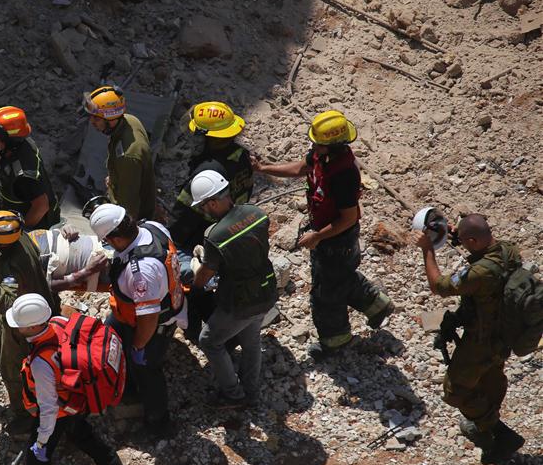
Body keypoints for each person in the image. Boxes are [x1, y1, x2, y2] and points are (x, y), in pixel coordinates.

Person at [254, 110, 394, 358]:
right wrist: (264, 168)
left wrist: (317, 237)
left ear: (333, 145)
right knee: (340, 277)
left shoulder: (344, 174)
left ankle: (335, 341)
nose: (313, 146)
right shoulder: (322, 157)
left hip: (337, 239)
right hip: (331, 236)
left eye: (317, 143)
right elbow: (301, 168)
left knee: (326, 294)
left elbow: (348, 217)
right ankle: (377, 304)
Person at [8, 294, 129, 465]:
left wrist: (42, 440)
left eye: (21, 326)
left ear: (33, 326)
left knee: (36, 458)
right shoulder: (58, 322)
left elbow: (48, 407)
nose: (18, 330)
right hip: (77, 400)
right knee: (81, 433)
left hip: (61, 410)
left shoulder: (40, 363)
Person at [415, 214, 525, 464]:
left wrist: (428, 250)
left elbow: (439, 286)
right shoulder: (507, 250)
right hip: (504, 333)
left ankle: (499, 433)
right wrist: (458, 235)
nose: (462, 245)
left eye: (466, 241)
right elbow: (478, 247)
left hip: (482, 340)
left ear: (474, 240)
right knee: (490, 380)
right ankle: (487, 426)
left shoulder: (480, 273)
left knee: (456, 391)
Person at [89, 203, 186, 438]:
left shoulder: (141, 272)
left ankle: (158, 422)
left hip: (151, 325)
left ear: (115, 238)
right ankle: (127, 385)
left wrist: (139, 345)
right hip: (132, 313)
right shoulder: (152, 228)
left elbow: (149, 318)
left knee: (148, 370)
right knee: (110, 340)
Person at [188, 170, 277, 408]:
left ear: (213, 202)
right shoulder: (256, 213)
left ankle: (233, 394)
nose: (204, 211)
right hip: (266, 290)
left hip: (240, 301)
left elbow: (206, 274)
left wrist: (194, 287)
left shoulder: (216, 236)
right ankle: (250, 391)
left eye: (204, 206)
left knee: (209, 341)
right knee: (251, 341)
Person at [0, 210, 60, 436]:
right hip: (22, 305)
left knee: (13, 372)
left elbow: (7, 303)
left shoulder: (11, 267)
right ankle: (21, 379)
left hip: (23, 319)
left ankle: (26, 414)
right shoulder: (19, 237)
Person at [170, 101, 254, 253]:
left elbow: (183, 217)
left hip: (200, 243)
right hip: (229, 231)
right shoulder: (241, 155)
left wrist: (170, 244)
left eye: (197, 135)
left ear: (213, 139)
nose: (193, 139)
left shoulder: (206, 174)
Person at [82, 85, 156, 221]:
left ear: (111, 119)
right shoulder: (129, 120)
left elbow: (128, 208)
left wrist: (118, 230)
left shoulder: (128, 155)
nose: (91, 122)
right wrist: (114, 178)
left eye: (96, 118)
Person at [0, 106, 61, 230]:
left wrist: (19, 231)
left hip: (37, 226)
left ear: (9, 140)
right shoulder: (22, 143)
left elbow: (41, 206)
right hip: (14, 209)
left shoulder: (24, 177)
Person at [27, 225, 109, 293]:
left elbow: (49, 235)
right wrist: (87, 271)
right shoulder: (17, 272)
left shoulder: (20, 236)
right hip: (102, 271)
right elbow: (46, 286)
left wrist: (64, 230)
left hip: (102, 244)